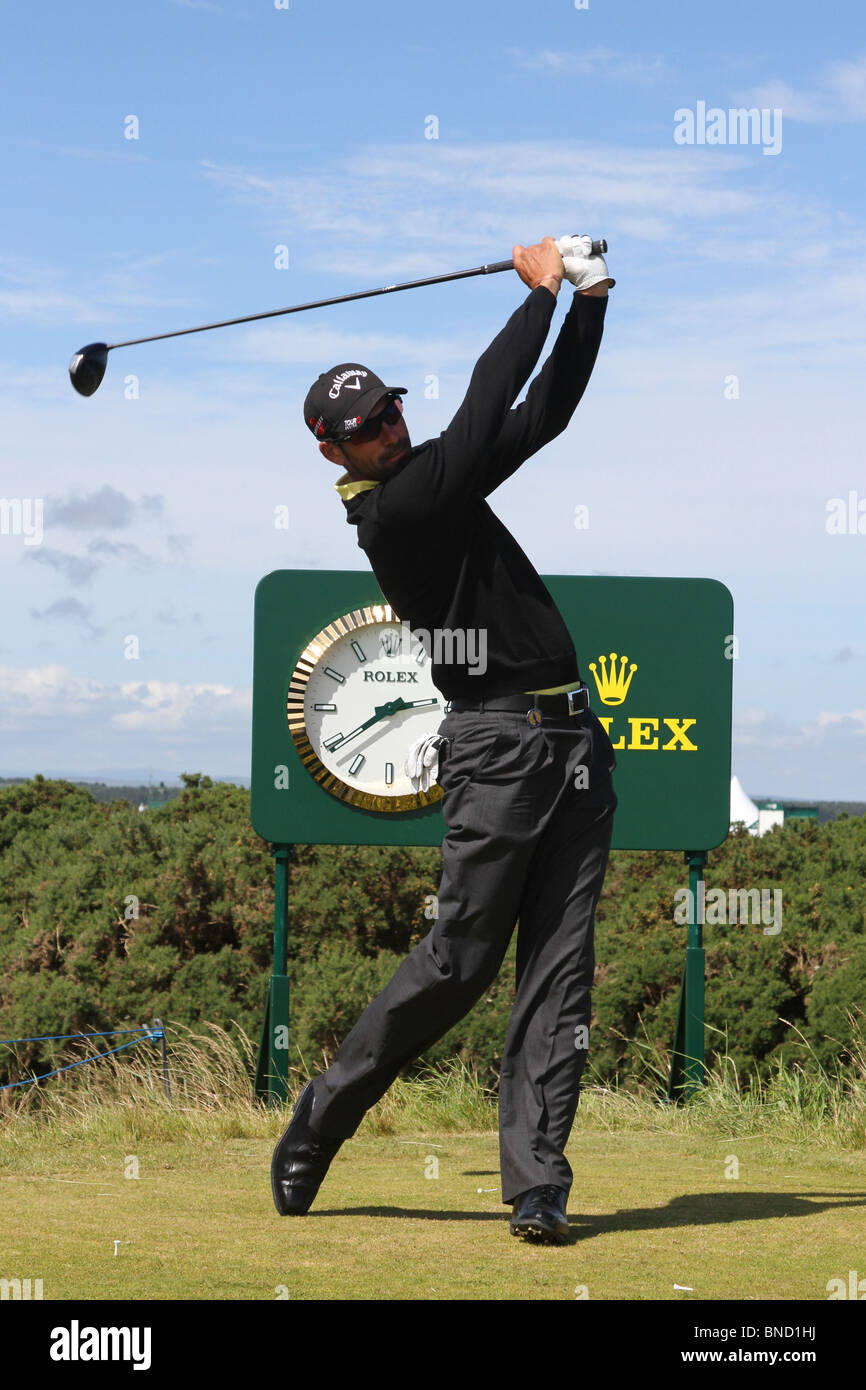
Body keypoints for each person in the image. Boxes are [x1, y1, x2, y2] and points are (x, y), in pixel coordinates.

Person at [271, 236, 618, 1245]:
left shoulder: (435, 477)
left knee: (559, 968)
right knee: (457, 963)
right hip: (499, 747)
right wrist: (536, 295)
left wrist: (589, 301)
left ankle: (536, 1186)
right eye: (365, 428)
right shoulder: (397, 509)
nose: (387, 428)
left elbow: (538, 413)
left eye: (387, 409)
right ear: (335, 454)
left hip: (575, 742)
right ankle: (322, 1115)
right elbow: (480, 413)